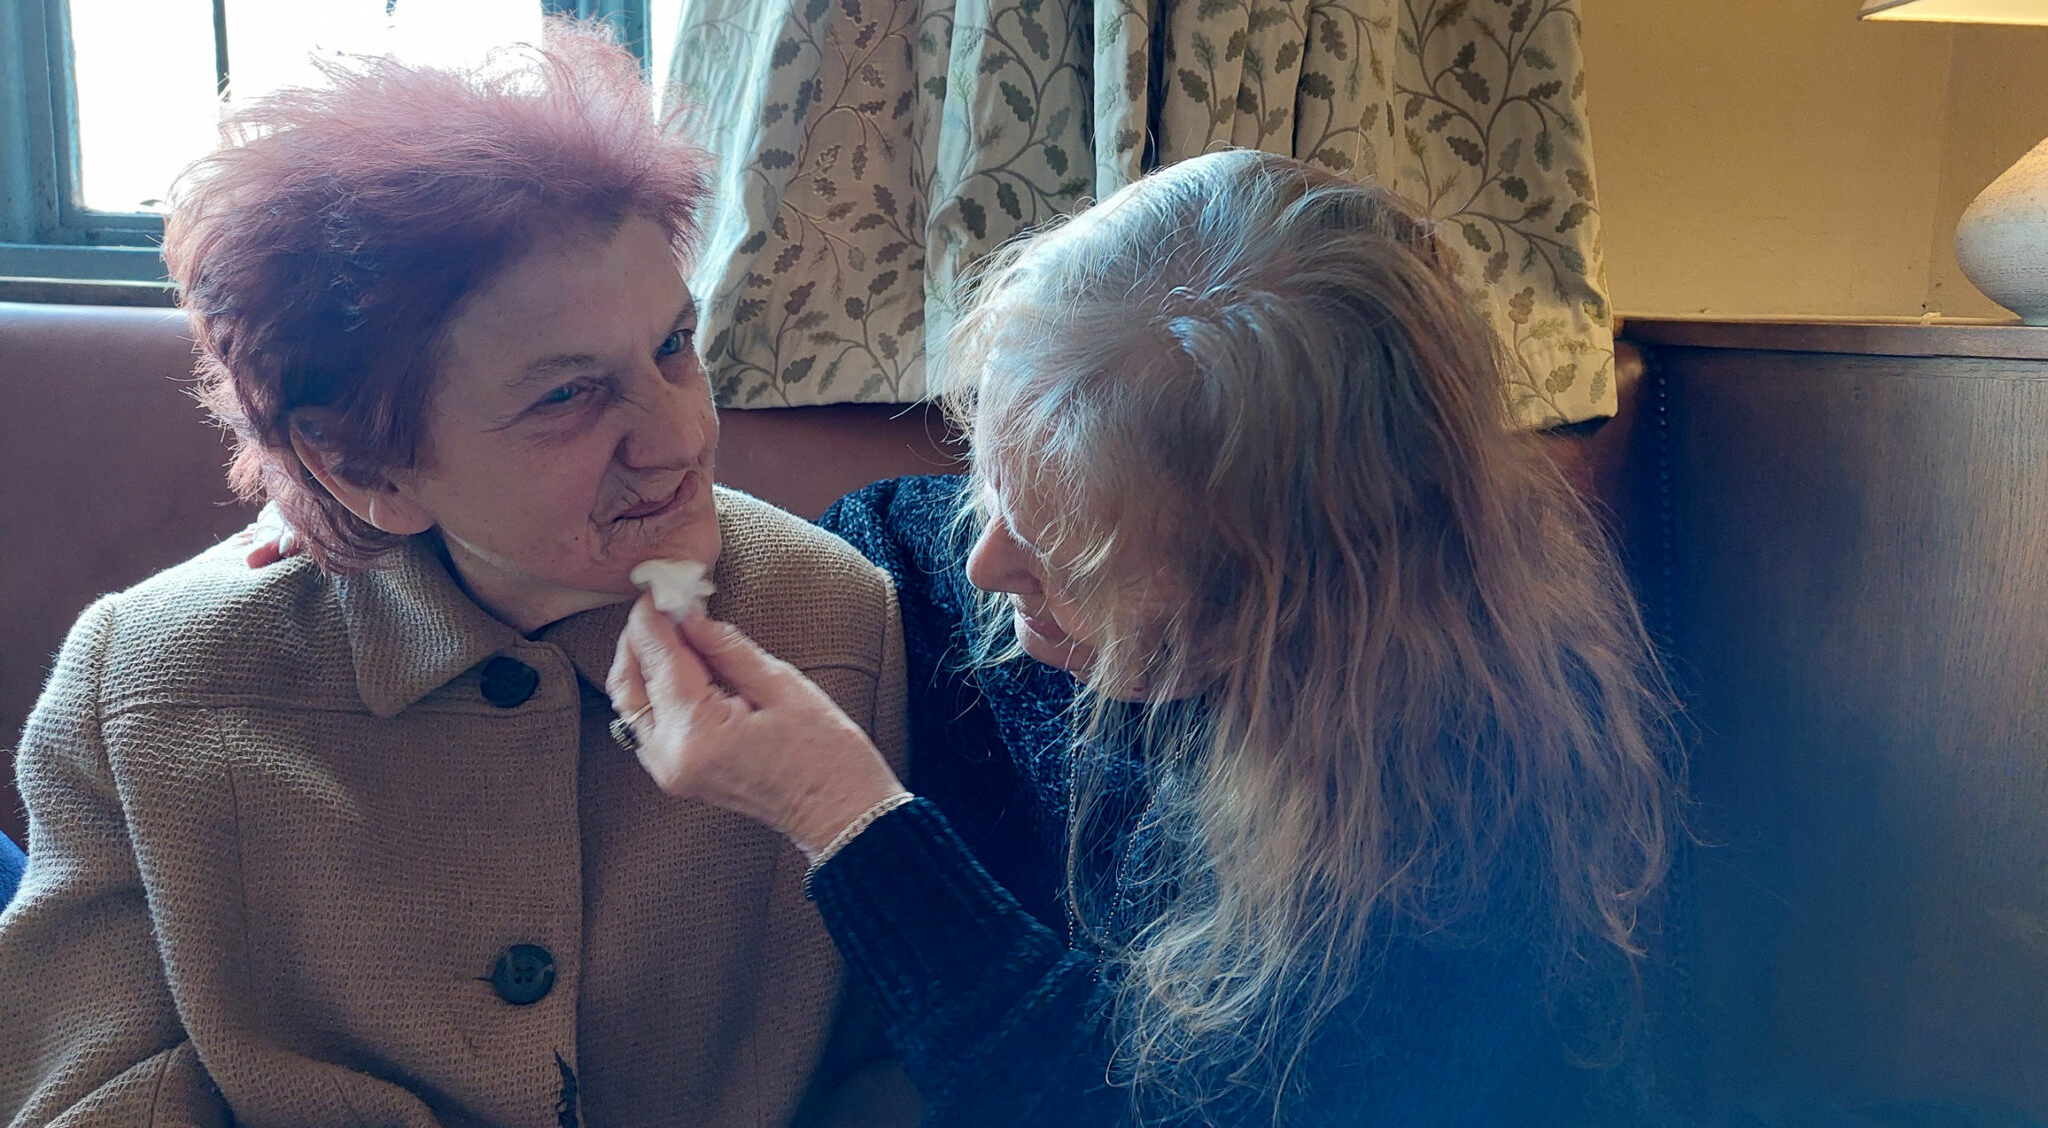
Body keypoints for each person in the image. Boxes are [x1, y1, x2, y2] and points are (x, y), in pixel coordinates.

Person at [610, 149, 1684, 1125]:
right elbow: (883, 544)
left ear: (1283, 601)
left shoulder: (1461, 827)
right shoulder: (954, 565)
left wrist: (844, 815)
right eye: (992, 483)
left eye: (1074, 558)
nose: (983, 564)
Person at [0, 25, 916, 1128]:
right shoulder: (145, 684)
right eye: (566, 396)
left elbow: (899, 1069)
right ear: (362, 466)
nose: (681, 438)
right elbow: (90, 1100)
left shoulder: (840, 621)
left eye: (673, 345)